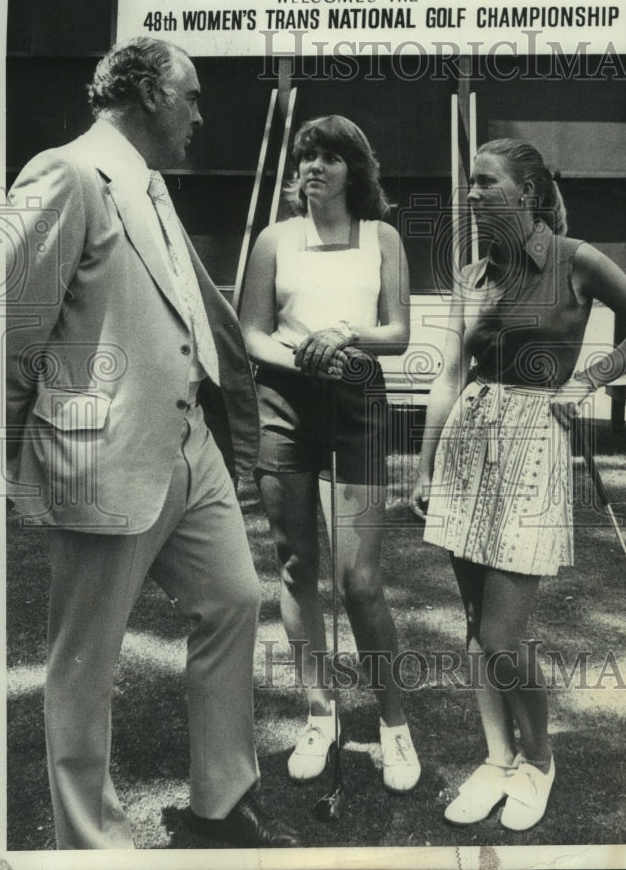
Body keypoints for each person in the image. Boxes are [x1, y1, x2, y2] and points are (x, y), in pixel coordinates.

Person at [4, 37, 300, 849]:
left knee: (236, 599)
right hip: (101, 456)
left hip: (186, 442)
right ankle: (92, 847)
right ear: (144, 96)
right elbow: (10, 325)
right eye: (192, 98)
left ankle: (220, 807)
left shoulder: (151, 182)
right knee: (83, 665)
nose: (202, 115)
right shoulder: (67, 173)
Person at [410, 138, 626, 831]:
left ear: (525, 192)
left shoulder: (575, 257)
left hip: (532, 444)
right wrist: (426, 463)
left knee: (502, 633)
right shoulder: (472, 274)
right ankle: (496, 759)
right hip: (469, 437)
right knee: (473, 625)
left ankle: (539, 759)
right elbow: (450, 375)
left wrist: (587, 381)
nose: (469, 195)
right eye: (468, 182)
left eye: (483, 182)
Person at [240, 115, 421, 792]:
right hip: (284, 405)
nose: (315, 166)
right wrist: (300, 352)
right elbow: (250, 332)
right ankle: (320, 713)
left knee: (360, 581)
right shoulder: (273, 239)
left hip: (359, 402)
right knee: (295, 568)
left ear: (356, 170)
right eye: (306, 156)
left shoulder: (384, 238)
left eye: (331, 157)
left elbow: (398, 333)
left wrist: (344, 337)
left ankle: (394, 725)